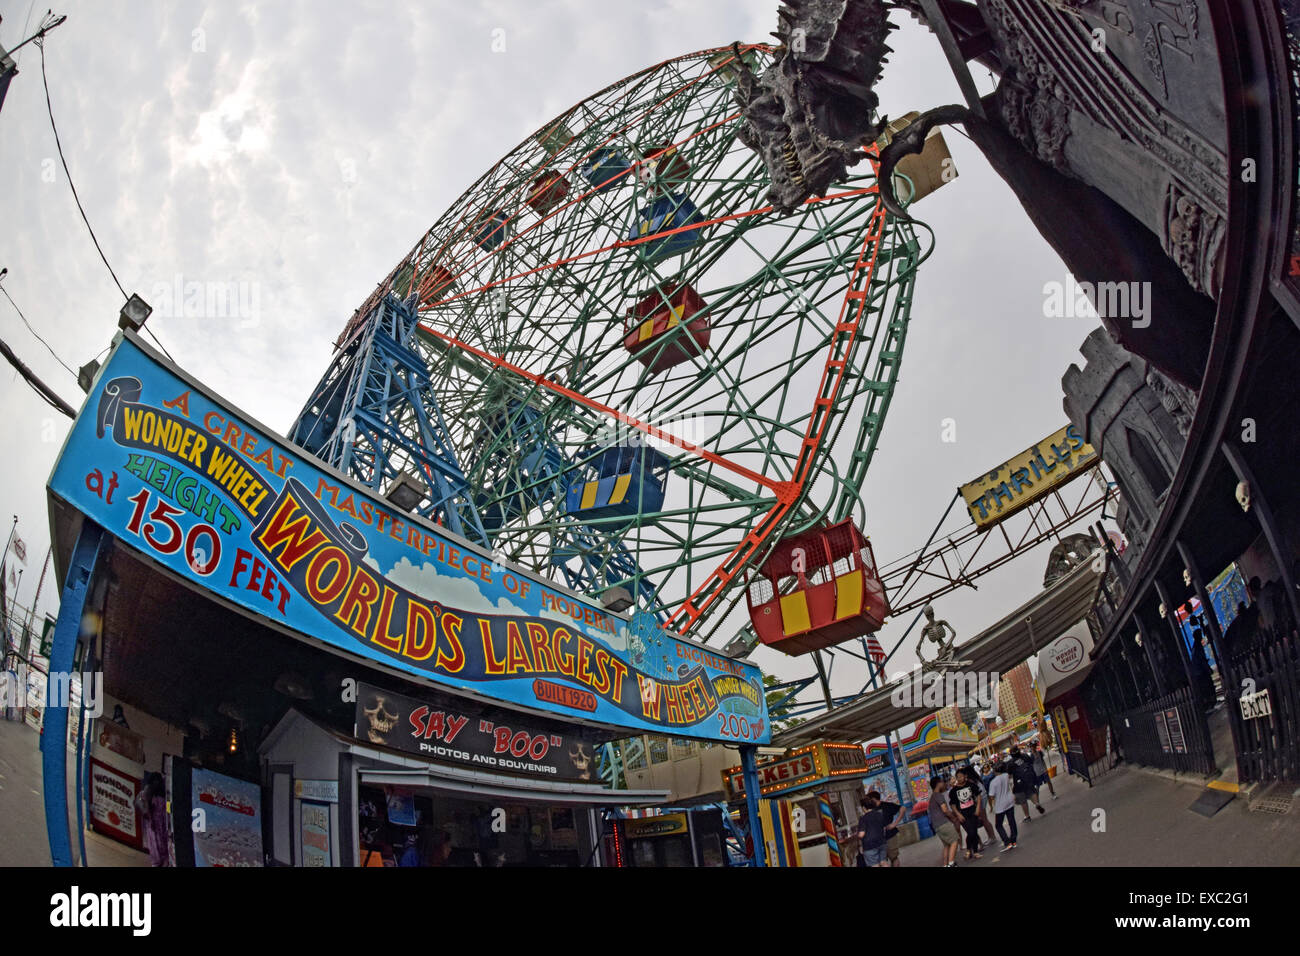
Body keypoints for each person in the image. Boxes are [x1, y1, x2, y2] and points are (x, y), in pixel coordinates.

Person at [132, 772, 170, 867]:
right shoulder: (146, 794)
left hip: (162, 831)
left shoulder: (163, 798)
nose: (156, 784)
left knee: (163, 858)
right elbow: (140, 807)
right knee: (157, 859)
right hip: (154, 831)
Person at [855, 791, 901, 868]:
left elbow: (861, 834)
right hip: (882, 843)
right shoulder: (880, 814)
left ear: (863, 808)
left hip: (870, 846)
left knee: (875, 864)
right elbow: (883, 827)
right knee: (883, 862)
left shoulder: (863, 819)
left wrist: (857, 835)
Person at [947, 768, 983, 860]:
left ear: (965, 776)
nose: (959, 779)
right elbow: (952, 804)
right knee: (970, 832)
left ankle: (974, 852)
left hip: (973, 812)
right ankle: (968, 850)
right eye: (957, 777)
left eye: (960, 776)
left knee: (974, 832)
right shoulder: (953, 791)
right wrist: (958, 814)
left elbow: (978, 795)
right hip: (962, 814)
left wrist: (978, 807)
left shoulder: (971, 785)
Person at [927, 775, 961, 868]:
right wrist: (954, 818)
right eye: (942, 782)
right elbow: (945, 810)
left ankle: (945, 864)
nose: (944, 783)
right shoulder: (938, 795)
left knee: (947, 845)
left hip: (937, 825)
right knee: (955, 840)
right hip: (943, 823)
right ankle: (951, 863)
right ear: (938, 784)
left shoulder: (932, 797)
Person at [1009, 744, 1045, 821]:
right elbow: (1031, 763)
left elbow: (1010, 775)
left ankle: (1027, 816)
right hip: (1029, 779)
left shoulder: (1011, 762)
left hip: (1019, 783)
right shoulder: (1025, 756)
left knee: (1023, 801)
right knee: (1031, 793)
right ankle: (1037, 803)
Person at [987, 761, 1018, 849]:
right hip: (1009, 800)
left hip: (1000, 804)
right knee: (1012, 821)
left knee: (998, 825)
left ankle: (1007, 842)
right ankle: (1014, 840)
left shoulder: (993, 782)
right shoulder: (1006, 776)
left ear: (995, 770)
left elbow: (991, 796)